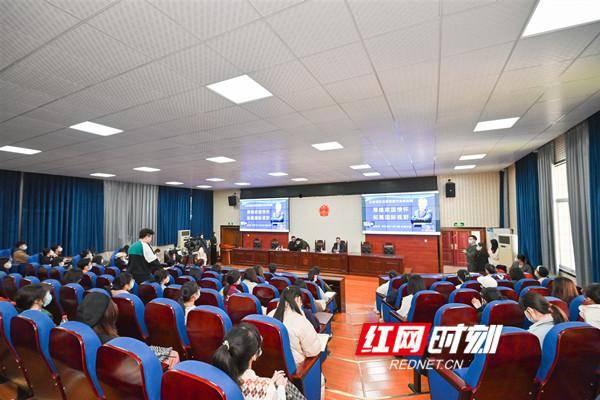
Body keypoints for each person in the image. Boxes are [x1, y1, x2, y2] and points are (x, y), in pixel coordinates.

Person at [76, 292, 180, 366]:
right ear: (109, 315)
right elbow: (142, 352)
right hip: (128, 367)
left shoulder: (79, 336)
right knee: (174, 355)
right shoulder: (116, 344)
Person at [212, 323, 288, 400]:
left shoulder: (213, 378)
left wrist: (269, 383)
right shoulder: (266, 388)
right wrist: (280, 388)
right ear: (254, 355)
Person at [269, 286, 323, 366]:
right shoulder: (300, 321)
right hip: (297, 367)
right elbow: (313, 351)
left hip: (273, 363)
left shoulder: (270, 315)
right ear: (298, 299)